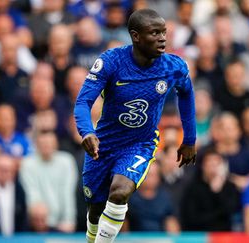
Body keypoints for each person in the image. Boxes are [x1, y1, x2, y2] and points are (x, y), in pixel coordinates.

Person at [74, 9, 196, 243]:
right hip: (104, 144)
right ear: (136, 36)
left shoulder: (174, 67)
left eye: (164, 32)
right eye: (154, 33)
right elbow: (83, 102)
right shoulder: (111, 62)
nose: (162, 38)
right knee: (96, 209)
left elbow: (187, 95)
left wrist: (189, 139)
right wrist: (87, 131)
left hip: (140, 143)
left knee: (120, 192)